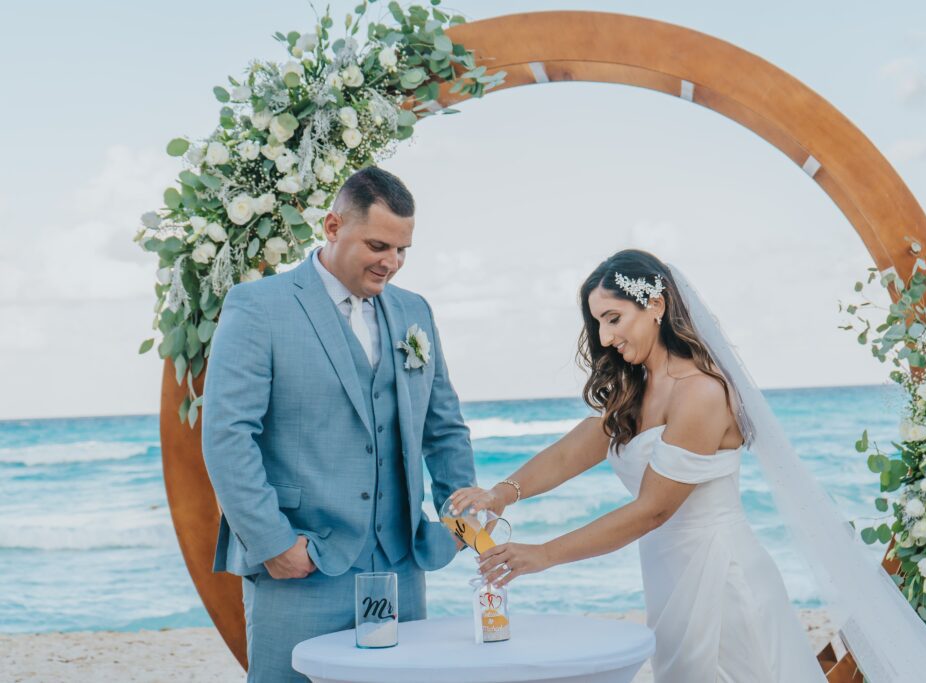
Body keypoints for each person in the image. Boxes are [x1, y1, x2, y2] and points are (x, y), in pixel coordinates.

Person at [448, 249, 825, 681]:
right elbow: (572, 452)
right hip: (668, 573)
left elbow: (654, 509)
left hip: (718, 576)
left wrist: (543, 554)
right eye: (598, 324)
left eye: (613, 318)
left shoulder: (699, 392)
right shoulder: (637, 389)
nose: (605, 338)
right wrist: (501, 494)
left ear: (656, 306)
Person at [202, 167, 475, 682]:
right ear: (332, 226)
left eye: (402, 250)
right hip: (301, 569)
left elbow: (444, 429)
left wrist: (459, 522)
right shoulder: (259, 307)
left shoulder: (415, 311)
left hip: (401, 566)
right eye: (378, 245)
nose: (391, 263)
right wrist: (273, 542)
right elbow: (227, 434)